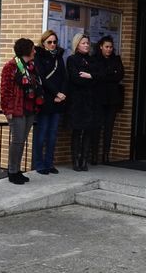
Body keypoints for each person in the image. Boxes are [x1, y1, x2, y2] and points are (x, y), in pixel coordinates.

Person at [0, 38, 44, 184]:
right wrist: (7, 110)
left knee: (22, 141)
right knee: (17, 141)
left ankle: (17, 170)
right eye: (33, 49)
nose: (35, 51)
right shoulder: (11, 66)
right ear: (27, 50)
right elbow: (5, 91)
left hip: (29, 108)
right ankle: (12, 171)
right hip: (16, 110)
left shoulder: (31, 66)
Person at [31, 30, 67, 175]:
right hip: (46, 100)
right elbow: (41, 78)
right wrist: (55, 93)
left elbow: (65, 77)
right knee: (42, 134)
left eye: (54, 42)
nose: (53, 45)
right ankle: (39, 164)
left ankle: (49, 163)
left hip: (58, 101)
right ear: (43, 43)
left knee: (52, 135)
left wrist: (63, 94)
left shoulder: (59, 57)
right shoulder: (39, 57)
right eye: (49, 42)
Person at [66, 33, 101, 171]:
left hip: (91, 102)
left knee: (88, 131)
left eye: (87, 43)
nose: (86, 45)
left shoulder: (93, 60)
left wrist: (90, 76)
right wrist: (91, 79)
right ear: (77, 44)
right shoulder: (72, 59)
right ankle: (75, 161)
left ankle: (84, 161)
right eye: (83, 43)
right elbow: (76, 79)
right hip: (77, 102)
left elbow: (100, 77)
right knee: (77, 131)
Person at [91, 36, 124, 165]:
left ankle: (106, 155)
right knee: (96, 127)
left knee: (109, 127)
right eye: (107, 47)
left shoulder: (116, 59)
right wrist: (109, 74)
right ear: (101, 46)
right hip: (99, 98)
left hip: (113, 99)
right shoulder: (95, 59)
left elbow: (120, 75)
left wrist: (105, 75)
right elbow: (98, 75)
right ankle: (94, 155)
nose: (109, 49)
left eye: (111, 47)